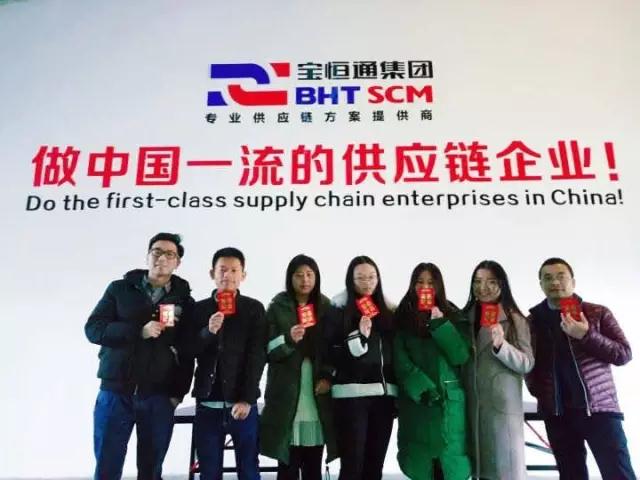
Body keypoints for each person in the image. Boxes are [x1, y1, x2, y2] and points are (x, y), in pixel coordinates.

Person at [85, 232, 194, 480]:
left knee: (151, 469)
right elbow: (93, 329)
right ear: (147, 256)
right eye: (157, 252)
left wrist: (178, 393)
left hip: (159, 397)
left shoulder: (185, 301)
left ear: (177, 262)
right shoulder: (119, 289)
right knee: (107, 466)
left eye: (170, 254)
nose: (162, 258)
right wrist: (138, 331)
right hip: (115, 393)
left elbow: (188, 352)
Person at [526, 257, 635, 479]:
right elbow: (529, 364)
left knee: (619, 473)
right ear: (541, 284)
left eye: (561, 276)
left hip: (599, 410)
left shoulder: (597, 313)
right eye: (548, 278)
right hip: (558, 414)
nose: (555, 282)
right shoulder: (532, 322)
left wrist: (586, 335)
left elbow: (623, 354)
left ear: (573, 282)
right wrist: (539, 393)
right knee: (571, 475)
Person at [186, 247, 267, 480]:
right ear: (212, 273)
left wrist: (247, 398)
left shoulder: (253, 309)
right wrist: (208, 332)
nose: (227, 275)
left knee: (248, 469)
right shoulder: (199, 309)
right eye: (222, 269)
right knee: (209, 471)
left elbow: (257, 356)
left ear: (243, 275)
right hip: (207, 402)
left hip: (242, 404)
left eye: (234, 270)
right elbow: (187, 350)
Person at [260, 254, 337, 480]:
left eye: (310, 275)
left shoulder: (326, 306)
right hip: (286, 389)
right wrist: (288, 338)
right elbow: (267, 349)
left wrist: (328, 377)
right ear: (290, 278)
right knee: (287, 463)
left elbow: (335, 348)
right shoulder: (277, 306)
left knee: (313, 464)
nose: (305, 280)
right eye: (299, 275)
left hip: (316, 390)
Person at [394, 263, 471, 480]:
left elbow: (460, 356)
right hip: (417, 402)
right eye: (419, 282)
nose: (425, 287)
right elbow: (399, 360)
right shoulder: (401, 317)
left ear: (439, 286)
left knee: (450, 463)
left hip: (449, 403)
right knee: (422, 465)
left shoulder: (454, 315)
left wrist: (440, 324)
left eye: (430, 282)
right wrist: (422, 388)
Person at [322, 255, 396, 480]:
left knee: (375, 466)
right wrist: (359, 336)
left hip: (383, 396)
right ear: (351, 280)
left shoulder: (389, 310)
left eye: (372, 277)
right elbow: (331, 352)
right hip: (351, 396)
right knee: (352, 465)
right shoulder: (338, 309)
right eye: (361, 278)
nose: (367, 283)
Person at [461, 260, 534, 480]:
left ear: (502, 285)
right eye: (477, 281)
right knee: (477, 470)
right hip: (470, 406)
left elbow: (526, 363)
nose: (483, 287)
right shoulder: (463, 318)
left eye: (491, 282)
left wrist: (502, 346)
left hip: (501, 409)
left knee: (503, 471)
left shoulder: (514, 319)